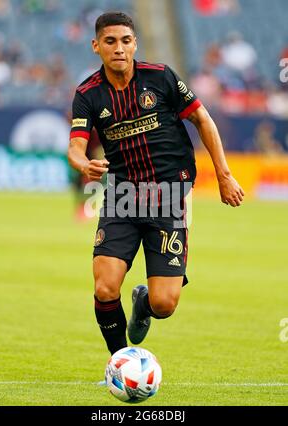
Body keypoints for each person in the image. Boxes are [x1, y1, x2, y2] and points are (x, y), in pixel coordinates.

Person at [67, 12, 244, 356]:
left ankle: (144, 303)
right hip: (123, 197)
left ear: (135, 43)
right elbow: (75, 145)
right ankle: (119, 362)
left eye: (125, 41)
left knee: (165, 304)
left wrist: (224, 175)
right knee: (105, 288)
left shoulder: (160, 78)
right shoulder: (88, 94)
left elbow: (202, 120)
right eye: (110, 41)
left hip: (170, 196)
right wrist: (84, 163)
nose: (119, 48)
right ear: (96, 46)